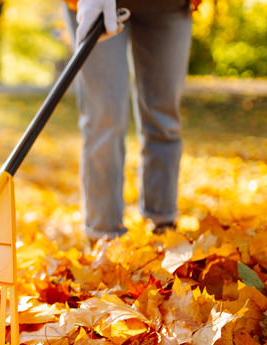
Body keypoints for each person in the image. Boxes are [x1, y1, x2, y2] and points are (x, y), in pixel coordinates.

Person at [62, 0, 201, 241]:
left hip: (168, 6)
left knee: (164, 117)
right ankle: (102, 233)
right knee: (103, 117)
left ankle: (163, 224)